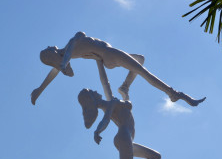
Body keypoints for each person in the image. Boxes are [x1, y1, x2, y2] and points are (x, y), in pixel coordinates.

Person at [31, 31, 206, 106]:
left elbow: (57, 68)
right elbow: (57, 66)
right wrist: (61, 65)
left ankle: (125, 87)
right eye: (46, 49)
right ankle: (174, 93)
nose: (48, 45)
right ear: (51, 54)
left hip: (107, 58)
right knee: (143, 72)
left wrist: (40, 89)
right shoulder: (71, 44)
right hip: (110, 55)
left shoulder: (72, 50)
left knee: (140, 59)